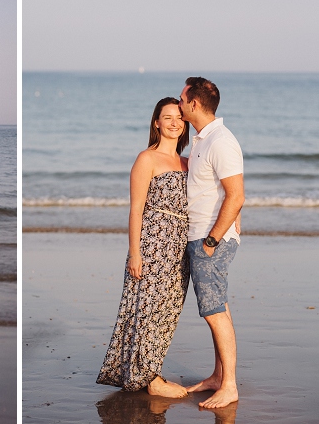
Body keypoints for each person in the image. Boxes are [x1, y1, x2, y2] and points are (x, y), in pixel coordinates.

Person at [97, 97, 191, 398]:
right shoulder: (146, 159)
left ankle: (148, 369)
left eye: (179, 117)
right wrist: (135, 253)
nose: (174, 122)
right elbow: (136, 209)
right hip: (152, 246)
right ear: (156, 122)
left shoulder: (189, 162)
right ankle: (151, 378)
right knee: (147, 310)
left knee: (168, 311)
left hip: (180, 249)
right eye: (168, 117)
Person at [179, 77, 244, 409]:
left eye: (181, 99)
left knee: (214, 312)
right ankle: (219, 375)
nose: (178, 105)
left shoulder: (220, 140)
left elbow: (237, 195)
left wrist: (213, 241)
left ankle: (229, 385)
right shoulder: (201, 138)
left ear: (193, 104)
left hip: (210, 239)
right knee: (218, 308)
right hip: (204, 237)